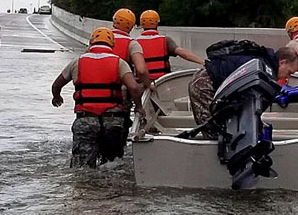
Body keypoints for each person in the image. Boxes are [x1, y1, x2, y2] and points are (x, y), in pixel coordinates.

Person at [50, 27, 144, 167]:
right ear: (112, 44)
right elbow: (133, 87)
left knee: (81, 167)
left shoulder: (77, 62)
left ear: (91, 42)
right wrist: (139, 106)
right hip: (113, 120)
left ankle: (85, 187)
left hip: (85, 120)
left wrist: (56, 97)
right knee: (113, 166)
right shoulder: (119, 62)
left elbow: (56, 85)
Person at [187, 42, 298, 132]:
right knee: (213, 132)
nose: (287, 77)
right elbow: (247, 102)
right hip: (205, 84)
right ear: (282, 62)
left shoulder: (263, 61)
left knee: (224, 130)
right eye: (289, 72)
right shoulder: (265, 72)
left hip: (210, 78)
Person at [137, 10, 204, 82]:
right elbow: (183, 53)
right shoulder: (165, 40)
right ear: (157, 24)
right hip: (162, 82)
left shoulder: (135, 42)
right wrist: (203, 62)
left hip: (144, 82)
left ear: (141, 24)